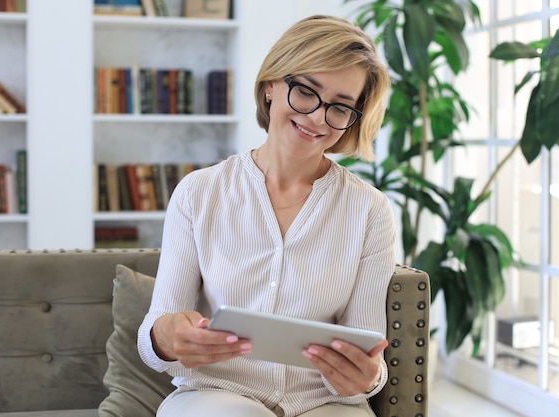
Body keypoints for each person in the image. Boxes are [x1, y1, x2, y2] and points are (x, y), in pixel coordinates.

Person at [138, 14, 395, 417]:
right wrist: (166, 337)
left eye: (340, 107)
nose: (316, 118)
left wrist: (368, 377)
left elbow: (368, 348)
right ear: (272, 85)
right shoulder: (199, 192)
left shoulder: (370, 210)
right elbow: (156, 338)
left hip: (325, 402)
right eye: (306, 92)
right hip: (215, 393)